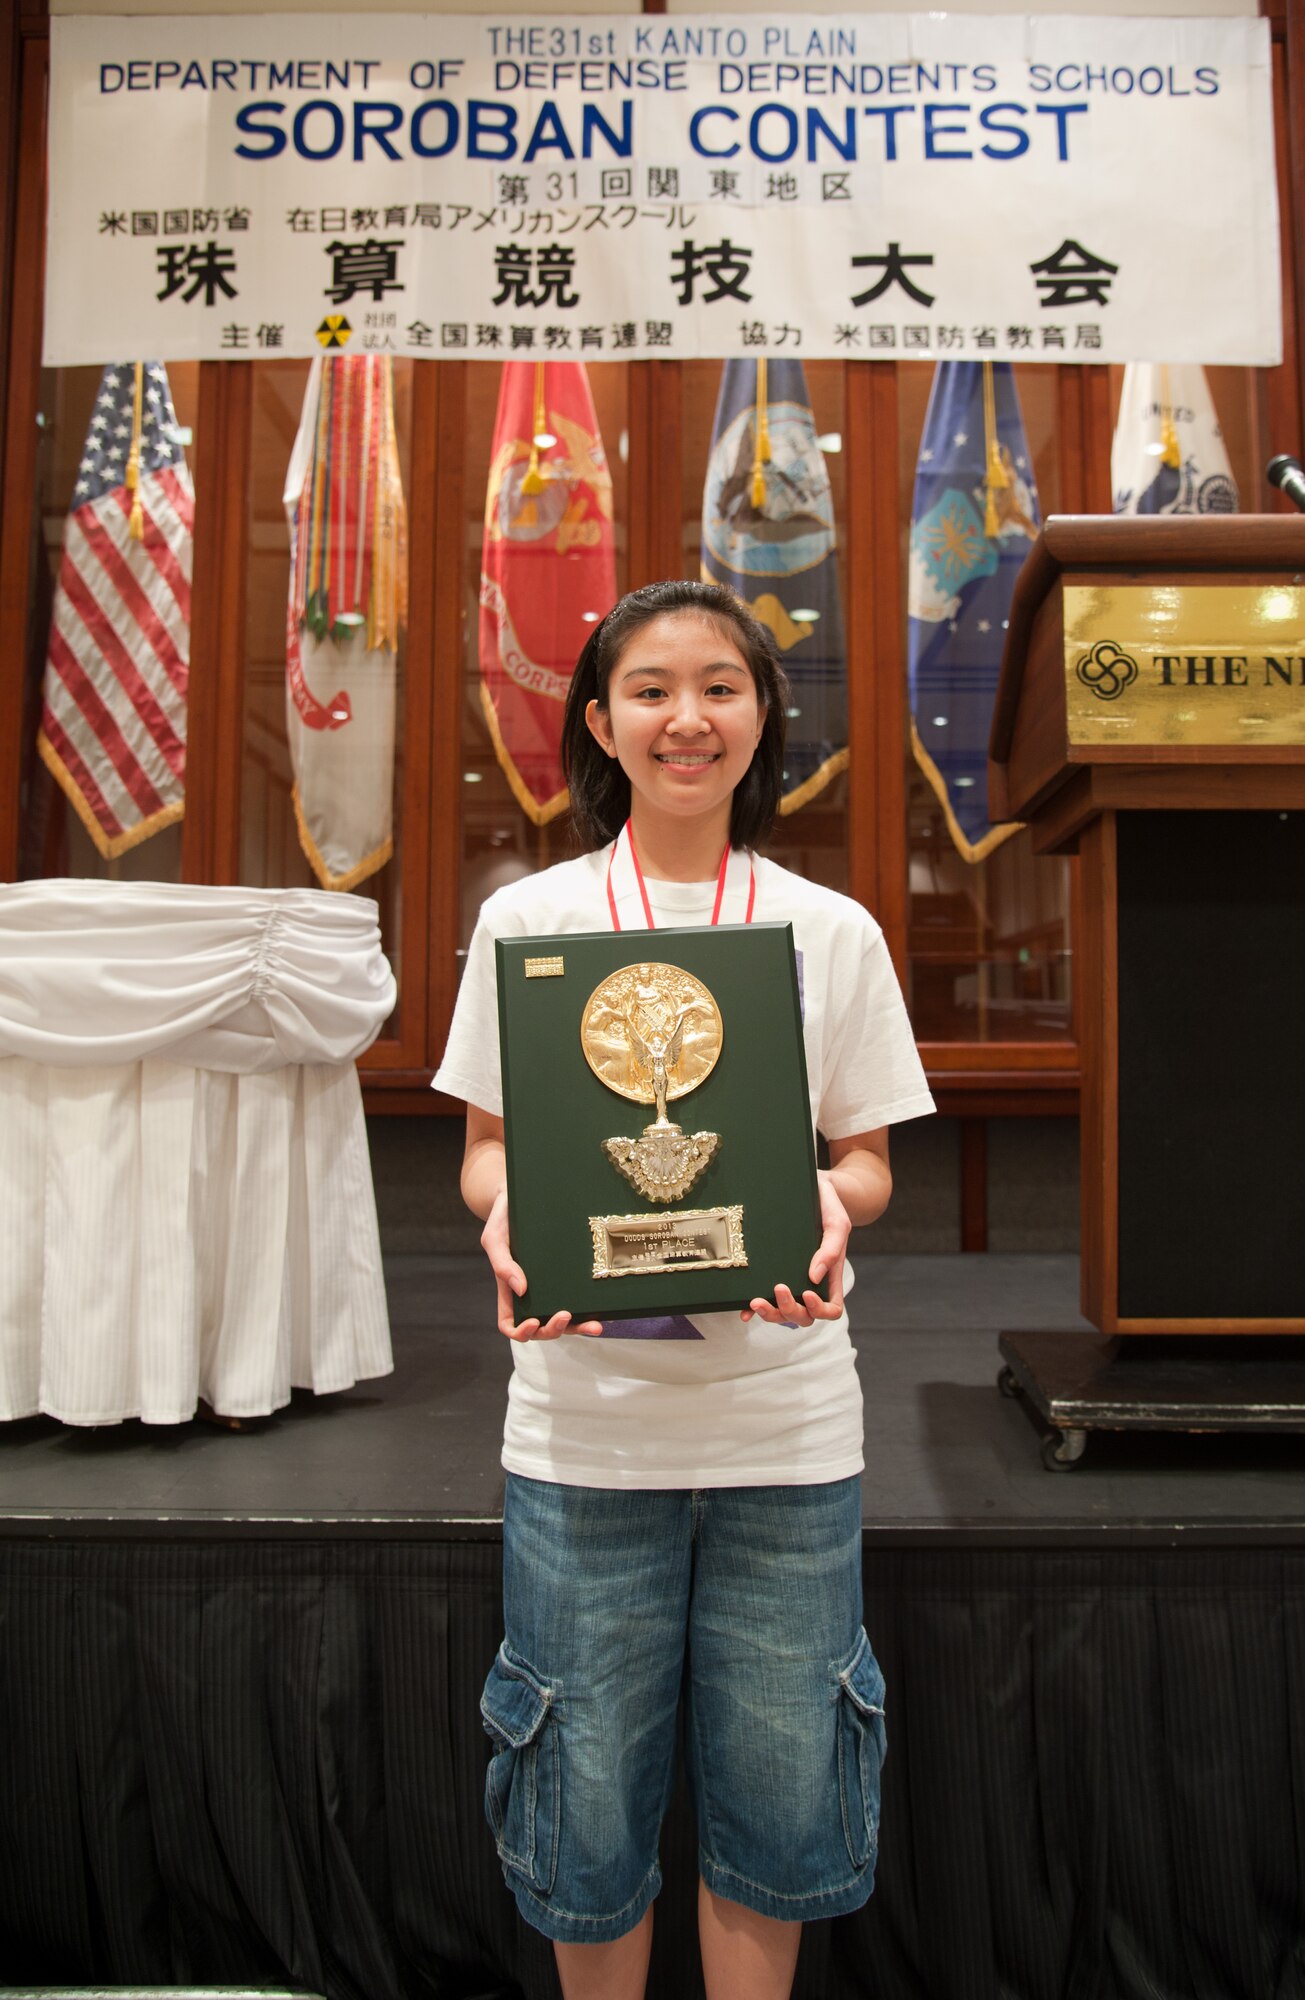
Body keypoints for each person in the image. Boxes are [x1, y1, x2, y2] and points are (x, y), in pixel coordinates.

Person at [434, 579, 934, 2000]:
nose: (685, 718)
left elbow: (864, 1162)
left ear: (761, 715)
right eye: (649, 688)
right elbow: (483, 1156)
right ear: (599, 721)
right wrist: (511, 1209)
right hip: (585, 1436)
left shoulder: (827, 929)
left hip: (782, 1431)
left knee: (780, 1806)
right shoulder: (528, 920)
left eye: (720, 685)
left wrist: (828, 1215)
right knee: (581, 1808)